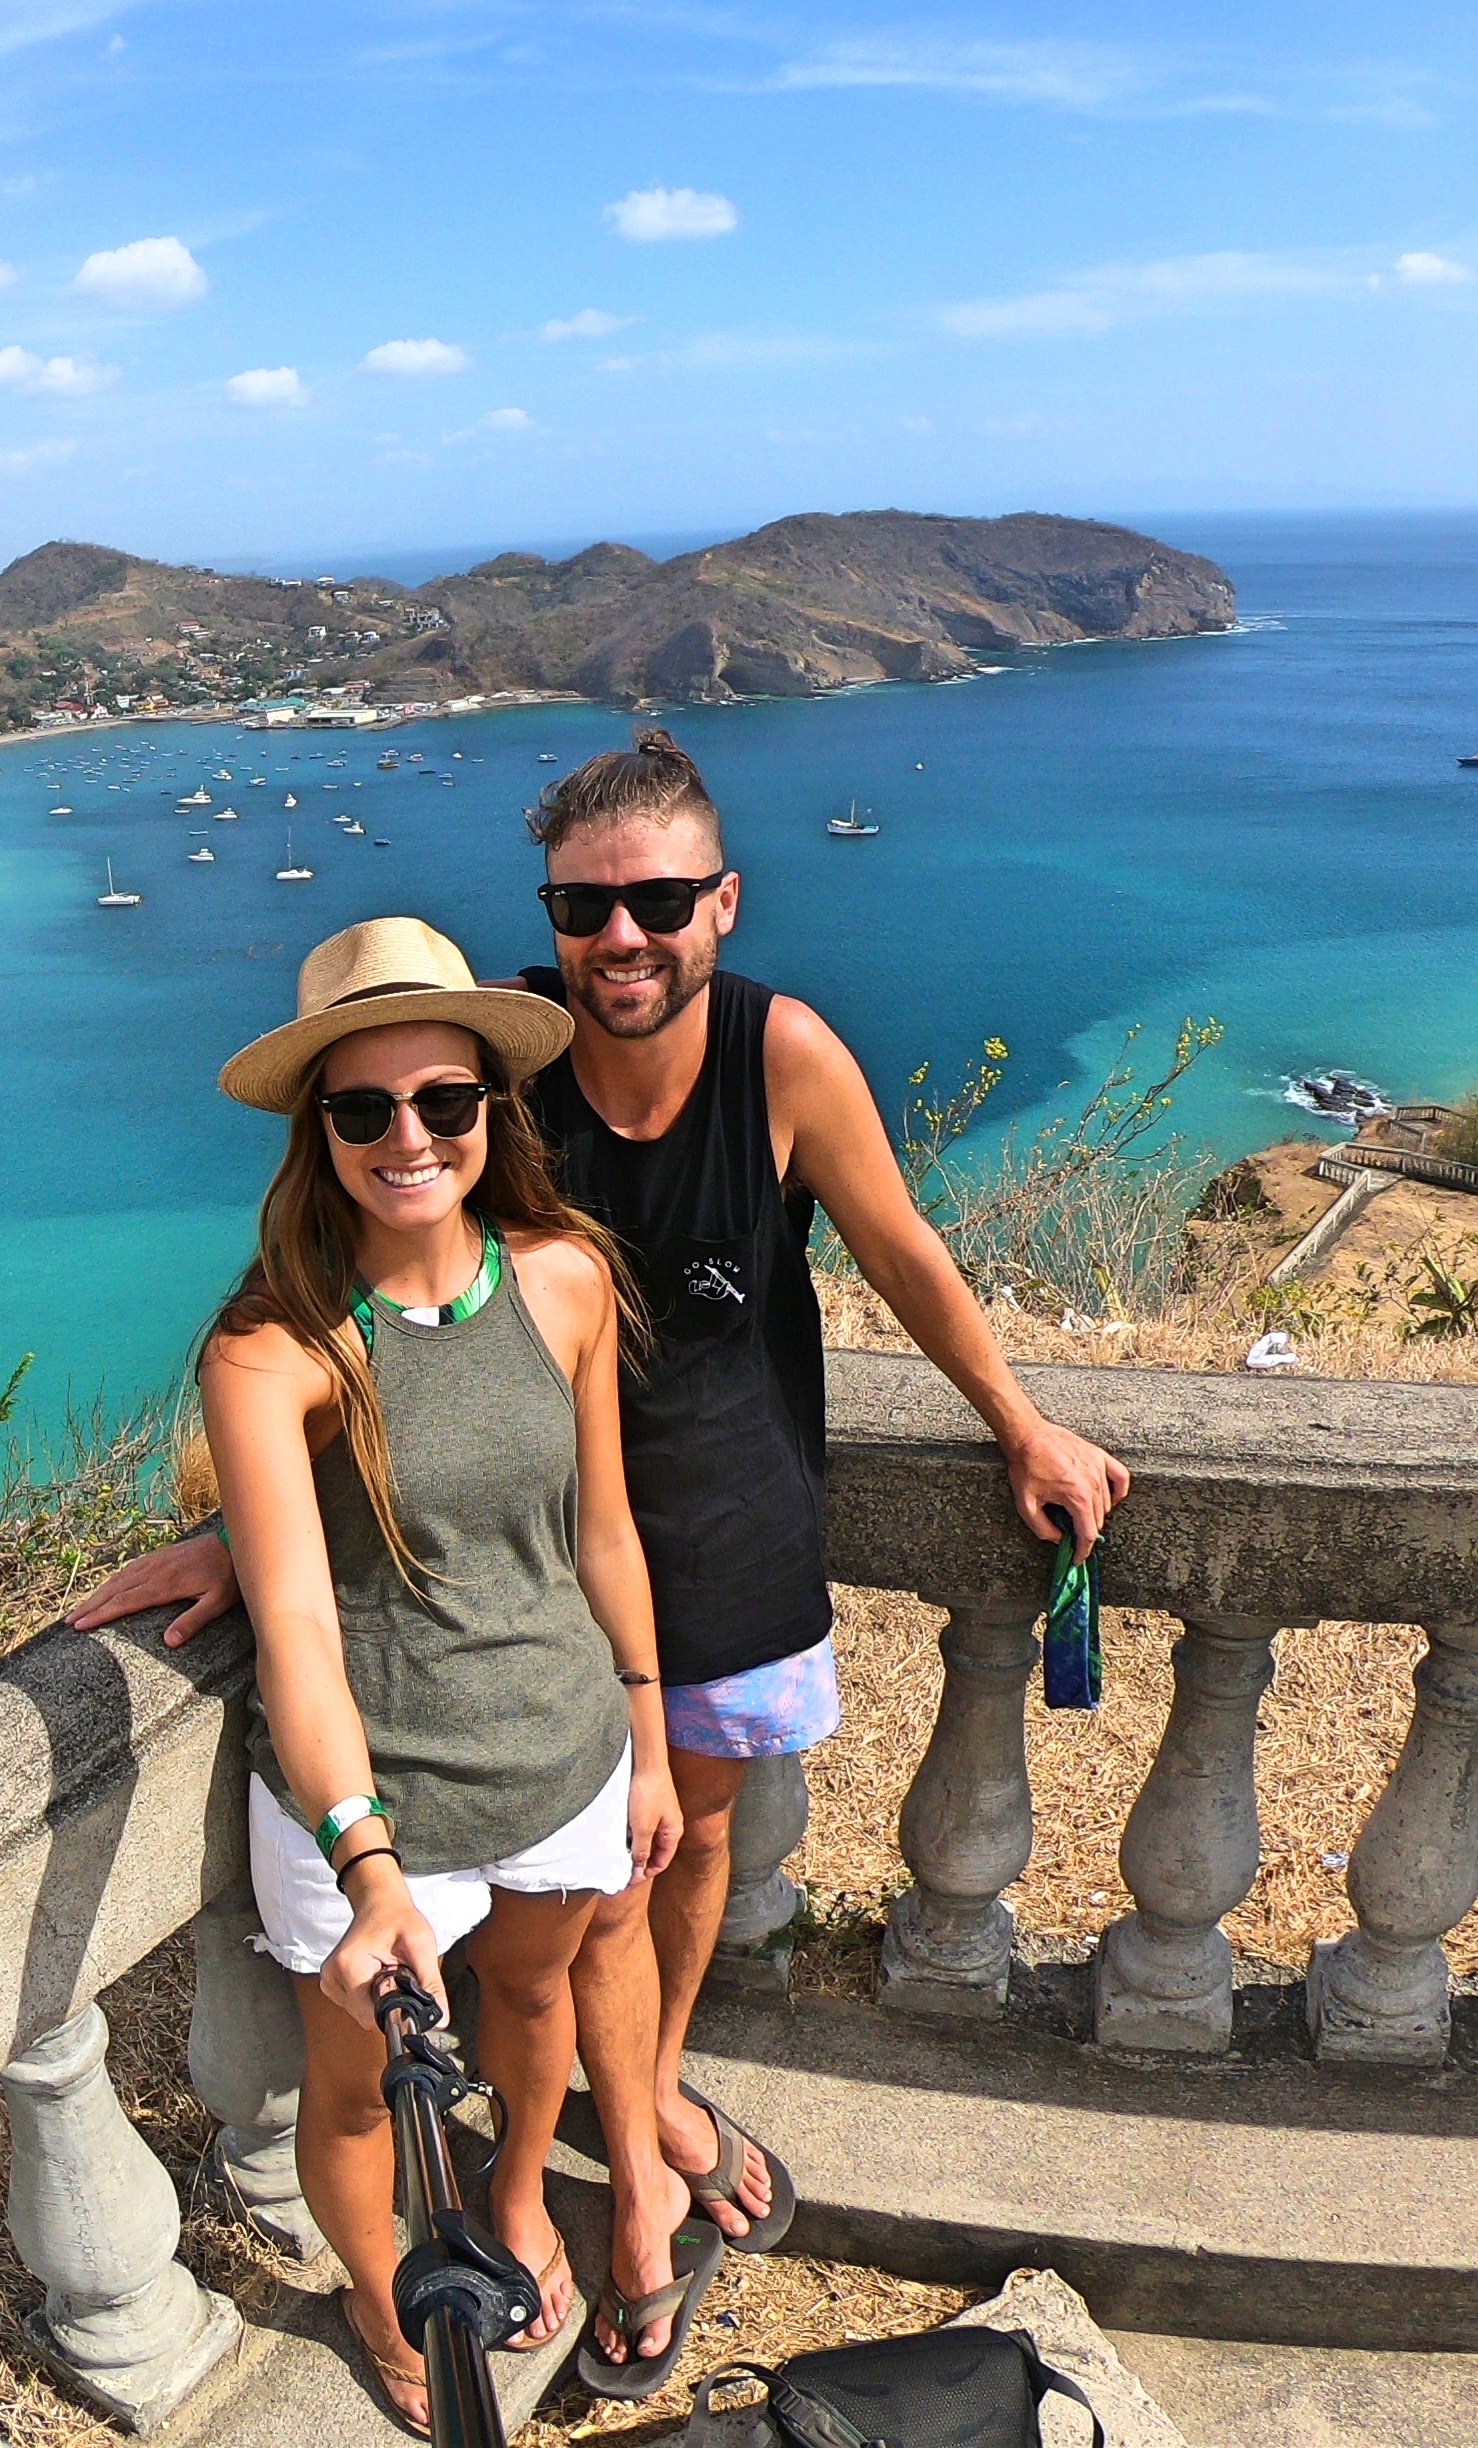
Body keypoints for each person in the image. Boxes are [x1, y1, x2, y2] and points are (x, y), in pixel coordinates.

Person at [75, 733, 1128, 2387]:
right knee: (598, 1907)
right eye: (584, 906)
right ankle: (630, 2148)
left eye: (654, 902)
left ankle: (640, 2126)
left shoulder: (779, 1056)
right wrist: (245, 1516)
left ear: (719, 900)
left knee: (678, 1857)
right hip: (523, 1566)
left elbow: (900, 1247)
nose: (621, 938)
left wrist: (1021, 1423)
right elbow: (367, 1309)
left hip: (715, 1528)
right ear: (551, 922)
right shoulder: (493, 1060)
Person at [193, 915, 695, 2428]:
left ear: (493, 1112)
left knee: (536, 2007)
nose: (408, 1137)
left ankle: (524, 2195)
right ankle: (377, 2284)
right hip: (374, 1813)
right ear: (318, 1132)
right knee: (350, 2090)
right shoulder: (273, 1350)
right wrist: (367, 1868)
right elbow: (293, 1622)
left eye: (444, 1101)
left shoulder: (565, 1280)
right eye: (363, 1109)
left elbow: (603, 1532)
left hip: (562, 1760)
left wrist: (651, 1741)